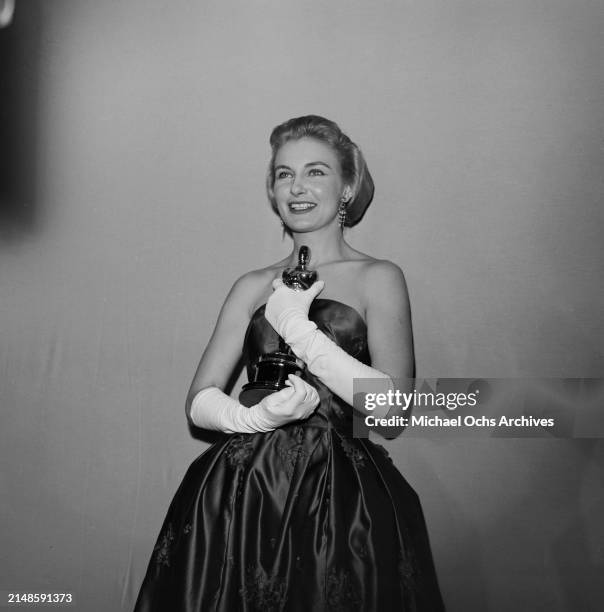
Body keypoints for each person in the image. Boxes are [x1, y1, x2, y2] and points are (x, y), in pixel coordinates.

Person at [134, 115, 446, 611]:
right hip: (240, 493)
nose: (297, 186)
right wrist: (249, 418)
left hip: (341, 499)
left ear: (347, 187)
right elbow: (199, 400)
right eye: (284, 174)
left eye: (316, 172)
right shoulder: (252, 284)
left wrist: (300, 330)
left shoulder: (378, 277)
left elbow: (391, 410)